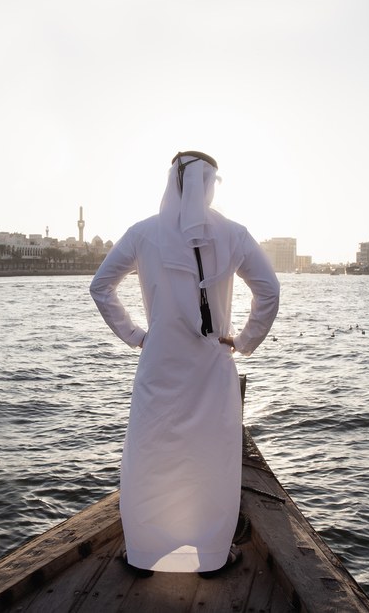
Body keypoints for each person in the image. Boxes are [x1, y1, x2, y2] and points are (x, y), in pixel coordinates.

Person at [89, 151, 280, 576]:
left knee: (151, 451)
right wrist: (246, 340)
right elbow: (269, 291)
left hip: (159, 365)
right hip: (212, 365)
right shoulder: (235, 234)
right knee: (212, 455)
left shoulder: (142, 233)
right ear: (208, 184)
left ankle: (143, 552)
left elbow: (101, 286)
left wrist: (137, 336)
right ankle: (212, 555)